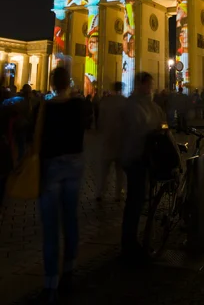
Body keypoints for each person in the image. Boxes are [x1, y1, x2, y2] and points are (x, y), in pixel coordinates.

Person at [39, 66, 92, 303]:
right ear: (68, 83)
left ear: (52, 84)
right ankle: (69, 271)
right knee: (70, 219)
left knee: (50, 229)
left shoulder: (45, 108)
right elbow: (87, 125)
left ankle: (50, 284)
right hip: (73, 165)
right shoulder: (79, 105)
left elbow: (36, 138)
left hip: (50, 168)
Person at [120, 72, 163, 262]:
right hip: (136, 158)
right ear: (141, 85)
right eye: (149, 85)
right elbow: (145, 128)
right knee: (135, 201)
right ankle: (129, 243)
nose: (151, 88)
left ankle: (134, 239)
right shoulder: (137, 106)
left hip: (140, 158)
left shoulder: (137, 104)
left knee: (138, 200)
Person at [96, 82, 126, 202]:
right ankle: (118, 194)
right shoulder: (124, 102)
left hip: (107, 139)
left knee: (104, 169)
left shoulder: (105, 102)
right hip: (120, 140)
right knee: (119, 171)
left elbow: (100, 121)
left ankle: (100, 192)